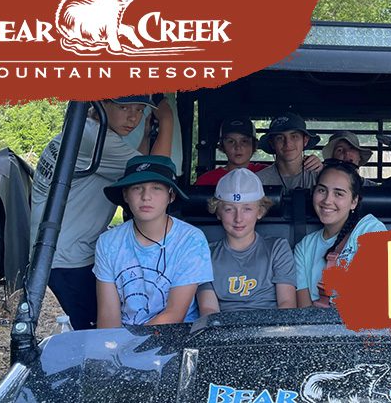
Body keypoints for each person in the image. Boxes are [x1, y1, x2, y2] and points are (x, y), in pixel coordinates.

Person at [29, 95, 174, 330]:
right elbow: (156, 175)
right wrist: (167, 121)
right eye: (124, 107)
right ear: (100, 104)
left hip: (58, 251)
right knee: (91, 333)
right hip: (70, 259)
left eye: (139, 110)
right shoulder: (95, 139)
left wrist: (147, 135)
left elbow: (137, 170)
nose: (133, 117)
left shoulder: (82, 129)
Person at [94, 155, 213, 327]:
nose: (146, 196)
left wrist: (131, 348)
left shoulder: (190, 239)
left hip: (175, 336)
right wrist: (113, 348)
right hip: (123, 339)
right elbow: (108, 316)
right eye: (137, 188)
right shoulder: (108, 243)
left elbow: (174, 313)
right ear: (125, 195)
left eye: (156, 188)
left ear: (171, 196)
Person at [196, 169, 297, 314]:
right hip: (223, 331)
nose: (238, 218)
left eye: (247, 209)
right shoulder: (205, 255)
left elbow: (287, 304)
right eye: (229, 209)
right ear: (218, 212)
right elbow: (208, 309)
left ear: (260, 212)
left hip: (272, 329)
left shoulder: (277, 248)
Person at [294, 159, 387, 307]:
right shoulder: (304, 247)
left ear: (354, 202)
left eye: (338, 194)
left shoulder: (370, 230)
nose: (327, 200)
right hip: (316, 328)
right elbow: (304, 313)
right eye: (322, 190)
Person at [256, 112, 323, 191]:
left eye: (294, 136)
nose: (288, 143)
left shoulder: (320, 176)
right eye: (280, 138)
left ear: (305, 140)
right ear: (272, 143)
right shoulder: (258, 181)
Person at [195, 116, 268, 185]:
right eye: (231, 141)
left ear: (253, 145)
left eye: (244, 141)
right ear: (222, 146)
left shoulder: (266, 173)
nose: (238, 147)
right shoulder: (207, 180)